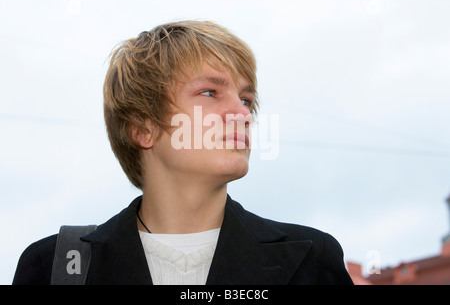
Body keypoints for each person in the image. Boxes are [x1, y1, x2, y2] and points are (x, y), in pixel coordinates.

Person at [13, 20, 353, 285]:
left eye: (247, 100)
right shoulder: (56, 265)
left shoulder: (313, 260)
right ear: (143, 128)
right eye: (209, 92)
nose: (242, 113)